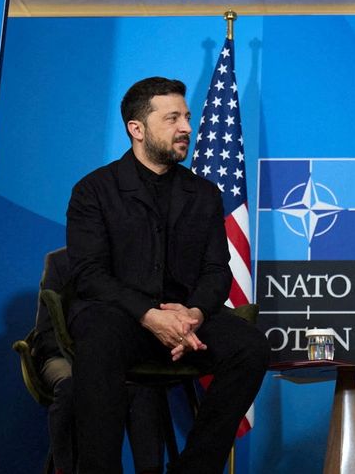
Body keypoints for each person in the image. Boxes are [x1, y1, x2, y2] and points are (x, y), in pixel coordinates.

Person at [66, 77, 269, 474]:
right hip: (122, 320)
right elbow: (89, 274)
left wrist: (194, 314)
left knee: (251, 347)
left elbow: (216, 272)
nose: (187, 128)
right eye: (173, 118)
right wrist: (149, 315)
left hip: (186, 322)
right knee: (98, 333)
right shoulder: (94, 190)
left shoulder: (205, 194)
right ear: (137, 129)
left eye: (187, 118)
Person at [29, 248, 164, 474]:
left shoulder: (132, 264)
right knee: (74, 386)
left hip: (115, 358)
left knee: (142, 387)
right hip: (62, 356)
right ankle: (65, 469)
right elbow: (46, 331)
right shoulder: (60, 261)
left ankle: (150, 469)